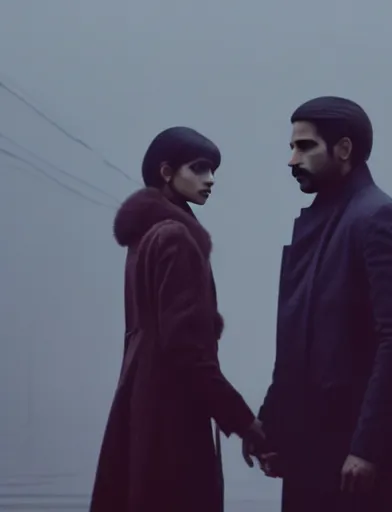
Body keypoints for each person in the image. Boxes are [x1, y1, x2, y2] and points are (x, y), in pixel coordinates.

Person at [253, 97, 392, 512]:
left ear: (344, 149)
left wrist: (369, 448)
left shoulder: (379, 218)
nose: (291, 159)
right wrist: (271, 425)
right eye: (292, 147)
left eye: (305, 147)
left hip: (353, 454)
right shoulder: (322, 221)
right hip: (309, 446)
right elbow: (295, 339)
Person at [90, 126, 265, 512]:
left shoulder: (146, 237)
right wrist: (244, 421)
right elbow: (186, 349)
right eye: (199, 168)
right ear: (166, 172)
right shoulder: (175, 238)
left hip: (142, 407)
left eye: (213, 170)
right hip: (172, 420)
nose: (210, 180)